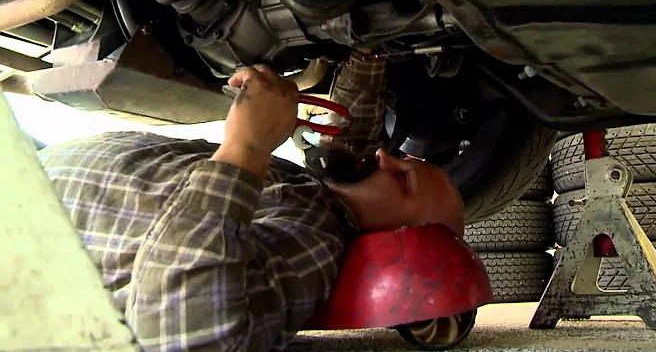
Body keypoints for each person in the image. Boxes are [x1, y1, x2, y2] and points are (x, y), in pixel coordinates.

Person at [38, 51, 465, 351]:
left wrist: (244, 149)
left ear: (400, 242)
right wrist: (369, 47)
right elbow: (353, 135)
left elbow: (185, 338)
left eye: (403, 179)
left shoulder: (319, 235)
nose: (384, 157)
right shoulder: (319, 197)